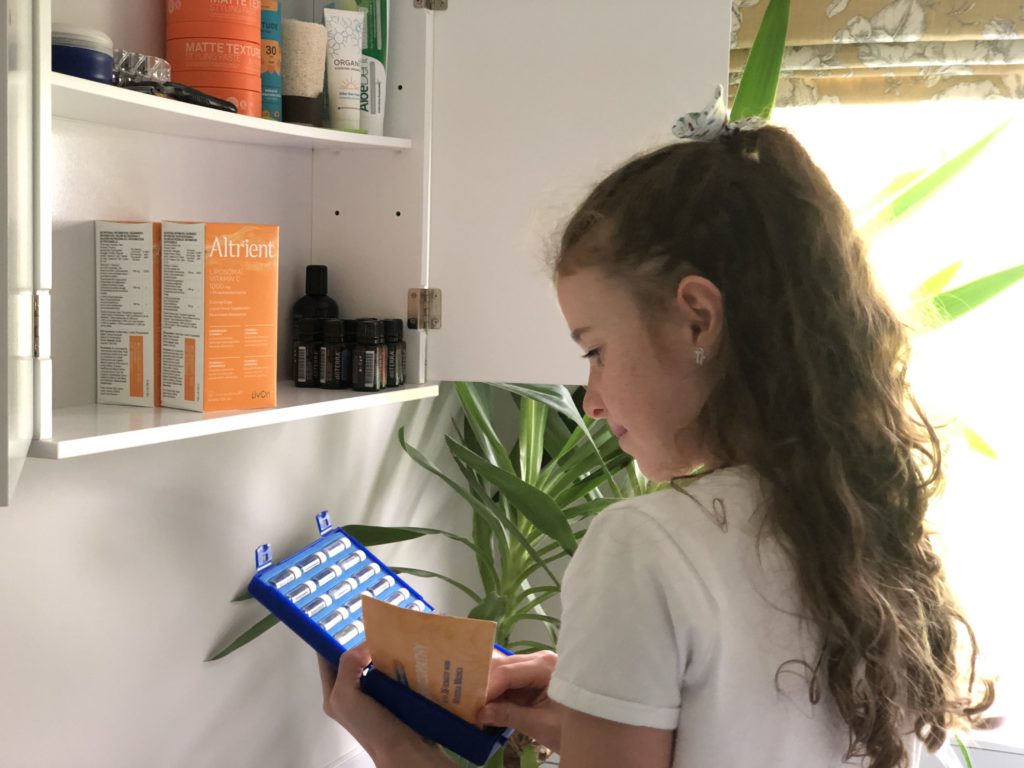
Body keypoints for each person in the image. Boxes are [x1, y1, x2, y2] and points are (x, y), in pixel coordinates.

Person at [319, 92, 995, 767]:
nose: (592, 400)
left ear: (697, 318)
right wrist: (601, 702)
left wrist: (390, 741)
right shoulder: (855, 515)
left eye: (595, 351)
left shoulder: (645, 547)